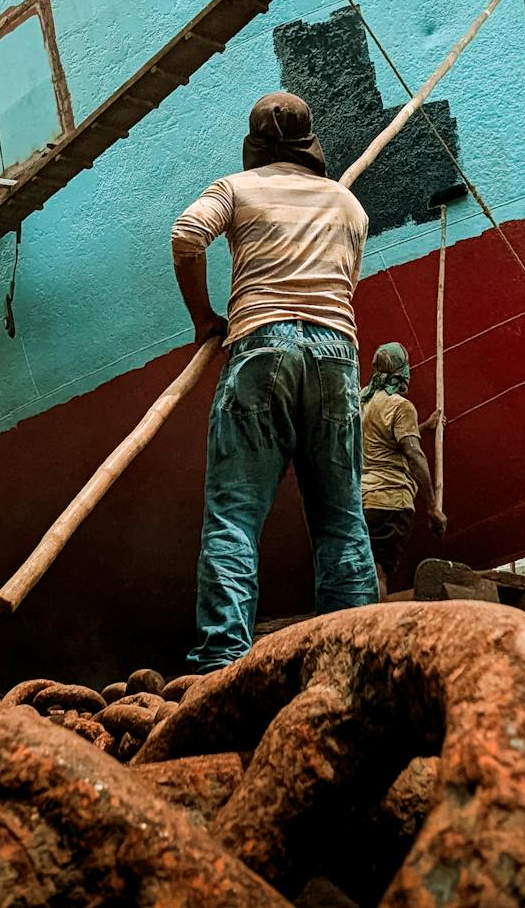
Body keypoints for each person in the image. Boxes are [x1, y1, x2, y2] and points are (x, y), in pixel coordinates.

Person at [171, 90, 376, 670]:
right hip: (336, 352)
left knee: (234, 515)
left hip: (259, 346)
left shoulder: (235, 190)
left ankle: (220, 659)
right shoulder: (348, 206)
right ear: (310, 145)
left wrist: (204, 318)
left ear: (254, 146)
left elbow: (186, 238)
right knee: (341, 517)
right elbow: (344, 283)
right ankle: (352, 656)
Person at [359, 342, 446, 593]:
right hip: (391, 503)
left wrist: (424, 427)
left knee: (364, 571)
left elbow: (384, 439)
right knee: (379, 575)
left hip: (362, 502)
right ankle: (374, 631)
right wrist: (432, 508)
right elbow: (414, 455)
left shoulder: (361, 402)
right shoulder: (400, 406)